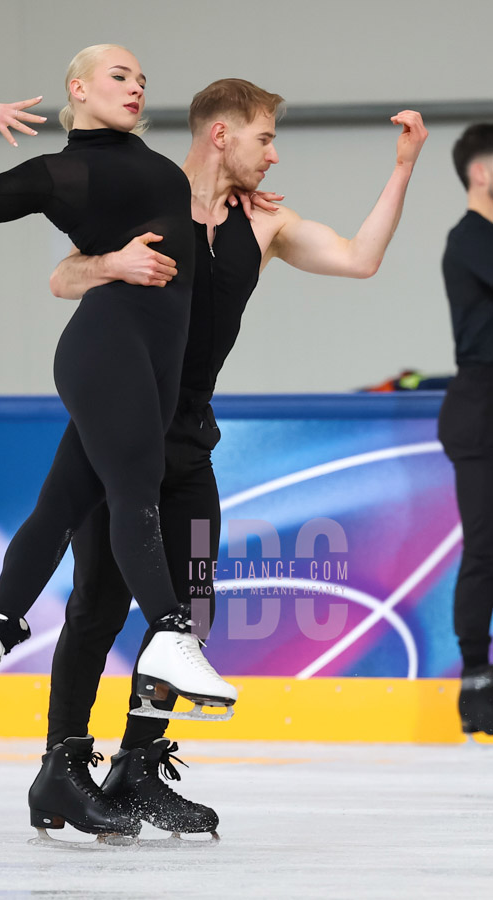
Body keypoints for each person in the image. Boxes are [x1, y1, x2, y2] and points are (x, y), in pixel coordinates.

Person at [40, 79, 428, 836]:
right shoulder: (144, 202)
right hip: (118, 433)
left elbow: (359, 259)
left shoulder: (266, 225)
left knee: (191, 609)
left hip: (188, 441)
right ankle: (60, 767)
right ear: (221, 135)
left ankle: (139, 765)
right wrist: (110, 265)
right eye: (264, 140)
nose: (274, 155)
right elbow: (62, 277)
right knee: (97, 605)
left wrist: (404, 166)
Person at [0, 44, 238, 839]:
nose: (135, 87)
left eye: (141, 80)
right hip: (108, 349)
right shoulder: (63, 173)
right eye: (120, 76)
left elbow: (188, 205)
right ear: (79, 89)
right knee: (135, 495)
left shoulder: (155, 163)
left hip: (146, 363)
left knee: (61, 505)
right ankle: (169, 633)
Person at [438, 123, 493, 737]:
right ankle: (477, 685)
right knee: (484, 548)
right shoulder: (470, 238)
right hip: (481, 408)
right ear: (481, 172)